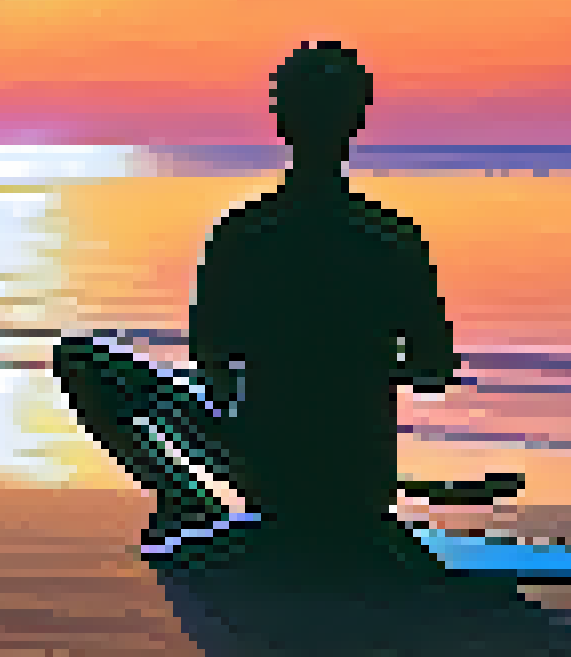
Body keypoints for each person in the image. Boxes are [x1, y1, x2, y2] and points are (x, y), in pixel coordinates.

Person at [190, 41, 459, 555]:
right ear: (357, 121)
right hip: (358, 483)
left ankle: (192, 504)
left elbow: (212, 364)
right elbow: (435, 369)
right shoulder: (392, 237)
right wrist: (362, 363)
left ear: (279, 121)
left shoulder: (240, 233)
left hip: (269, 481)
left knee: (96, 367)